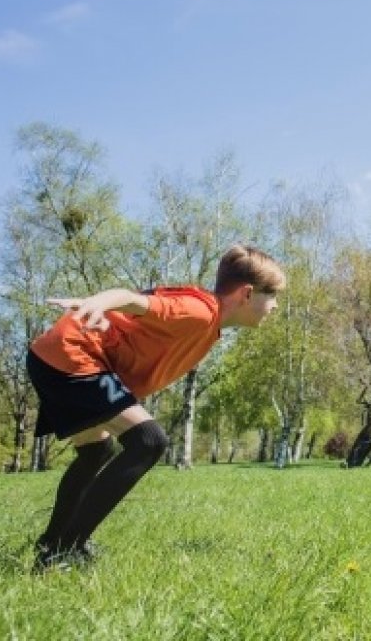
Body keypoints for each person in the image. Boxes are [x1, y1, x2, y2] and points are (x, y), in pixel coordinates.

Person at [27, 244, 285, 571]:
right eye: (272, 295)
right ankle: (64, 550)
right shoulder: (199, 311)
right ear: (247, 294)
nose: (275, 306)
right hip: (74, 355)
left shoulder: (208, 322)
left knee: (96, 452)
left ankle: (53, 541)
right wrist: (97, 302)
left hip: (62, 355)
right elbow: (134, 300)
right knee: (149, 441)